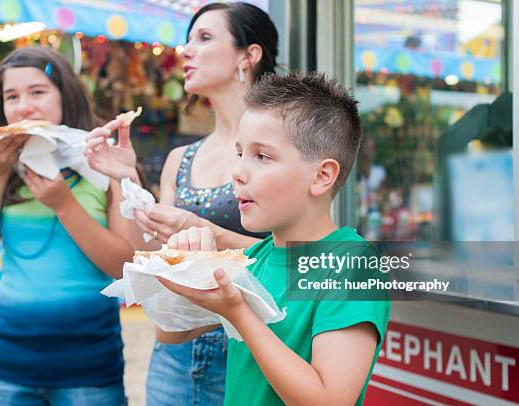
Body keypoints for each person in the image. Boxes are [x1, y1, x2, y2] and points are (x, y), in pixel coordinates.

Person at [156, 72, 391, 405]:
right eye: (239, 153)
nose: (237, 172)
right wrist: (187, 267)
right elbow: (169, 332)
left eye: (262, 156)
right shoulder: (258, 257)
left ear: (322, 176)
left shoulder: (353, 266)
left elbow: (329, 401)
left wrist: (239, 313)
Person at [85, 3, 279, 405]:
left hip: (251, 351)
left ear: (249, 55)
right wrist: (128, 179)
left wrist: (207, 232)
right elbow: (156, 254)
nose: (185, 50)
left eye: (204, 38)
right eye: (187, 39)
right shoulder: (181, 158)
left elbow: (295, 255)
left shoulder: (279, 148)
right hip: (172, 354)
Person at [0, 47, 131, 405]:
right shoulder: (0, 168)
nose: (24, 107)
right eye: (12, 97)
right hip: (7, 362)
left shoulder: (104, 164)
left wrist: (64, 204)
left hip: (90, 365)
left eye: (38, 92)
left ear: (64, 96)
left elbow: (125, 266)